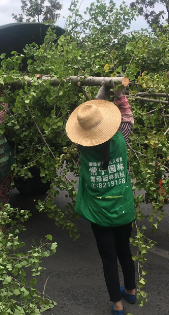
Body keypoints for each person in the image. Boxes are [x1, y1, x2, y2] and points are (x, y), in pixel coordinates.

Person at [65, 83, 136, 315]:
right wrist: (116, 93)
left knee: (108, 258)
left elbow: (88, 115)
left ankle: (117, 305)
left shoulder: (82, 146)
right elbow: (126, 115)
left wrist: (101, 91)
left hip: (99, 213)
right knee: (124, 249)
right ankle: (132, 291)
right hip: (123, 209)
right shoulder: (122, 138)